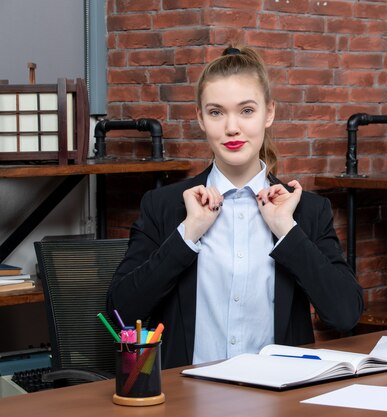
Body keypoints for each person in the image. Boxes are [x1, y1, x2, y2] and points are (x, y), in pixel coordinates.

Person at [107, 44, 363, 369]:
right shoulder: (165, 206)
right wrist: (187, 235)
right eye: (216, 112)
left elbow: (345, 314)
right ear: (200, 118)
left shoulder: (306, 211)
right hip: (187, 399)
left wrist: (287, 230)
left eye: (246, 111)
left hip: (279, 398)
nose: (231, 128)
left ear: (269, 113)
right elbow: (121, 314)